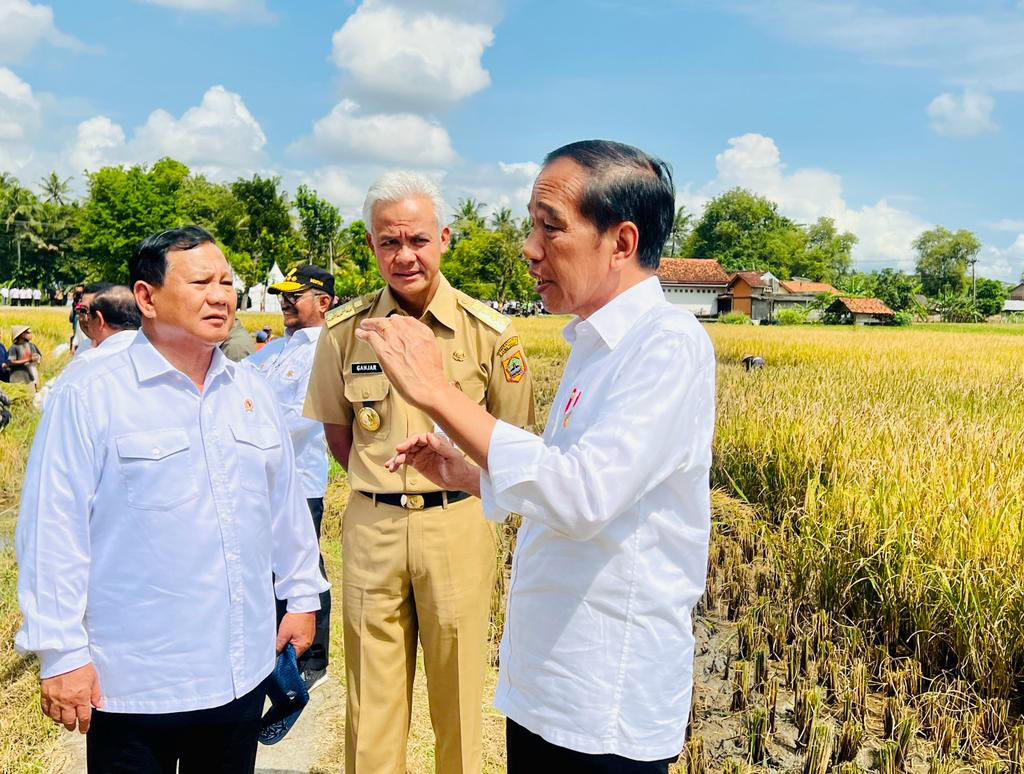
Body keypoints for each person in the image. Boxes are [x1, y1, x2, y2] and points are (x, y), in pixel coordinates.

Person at [356, 140, 716, 773]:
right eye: (532, 224)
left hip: (605, 695)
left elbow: (583, 497)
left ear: (621, 243)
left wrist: (439, 394)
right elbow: (560, 479)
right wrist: (471, 474)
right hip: (549, 681)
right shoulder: (593, 341)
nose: (529, 246)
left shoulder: (667, 344)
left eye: (550, 227)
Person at [15, 225, 328, 774]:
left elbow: (283, 509)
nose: (221, 295)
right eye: (202, 281)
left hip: (239, 670)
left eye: (228, 282)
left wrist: (303, 597)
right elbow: (52, 528)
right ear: (146, 296)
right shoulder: (93, 392)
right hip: (134, 682)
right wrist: (61, 652)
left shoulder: (250, 390)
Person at [303, 170, 535, 774]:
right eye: (388, 242)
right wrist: (384, 484)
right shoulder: (345, 333)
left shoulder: (491, 334)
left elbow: (511, 446)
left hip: (457, 526)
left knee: (459, 695)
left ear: (445, 239)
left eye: (418, 240)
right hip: (373, 526)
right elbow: (339, 434)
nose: (404, 256)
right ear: (371, 246)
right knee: (370, 700)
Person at [245, 263, 336, 692]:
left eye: (295, 294)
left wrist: (247, 425)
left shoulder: (325, 350)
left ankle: (314, 658)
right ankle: (278, 649)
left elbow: (302, 416)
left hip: (300, 481)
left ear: (324, 301)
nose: (285, 300)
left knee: (303, 566)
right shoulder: (275, 350)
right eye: (282, 293)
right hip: (259, 482)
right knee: (267, 567)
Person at [40, 285, 141, 411]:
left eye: (87, 311)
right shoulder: (84, 348)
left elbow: (53, 405)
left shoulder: (89, 359)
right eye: (80, 310)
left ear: (100, 318)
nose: (85, 318)